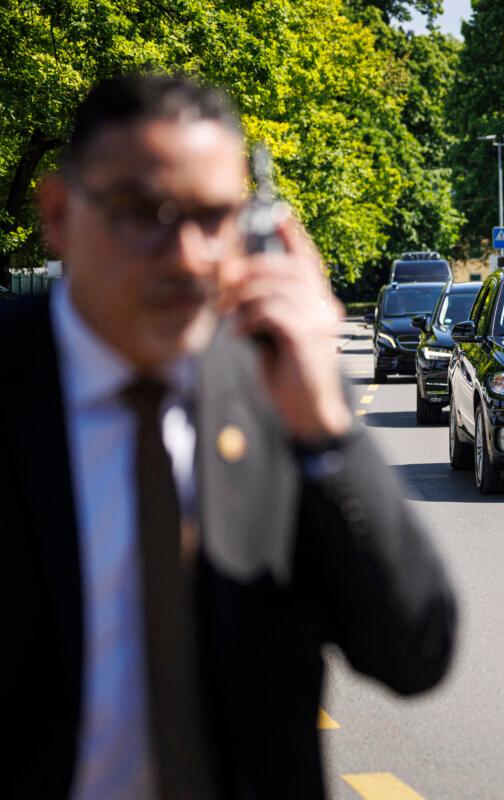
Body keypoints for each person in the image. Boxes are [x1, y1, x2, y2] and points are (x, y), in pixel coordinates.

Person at [1, 75, 456, 798]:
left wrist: (327, 433)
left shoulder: (276, 383)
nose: (185, 256)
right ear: (57, 212)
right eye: (143, 213)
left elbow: (415, 650)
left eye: (213, 218)